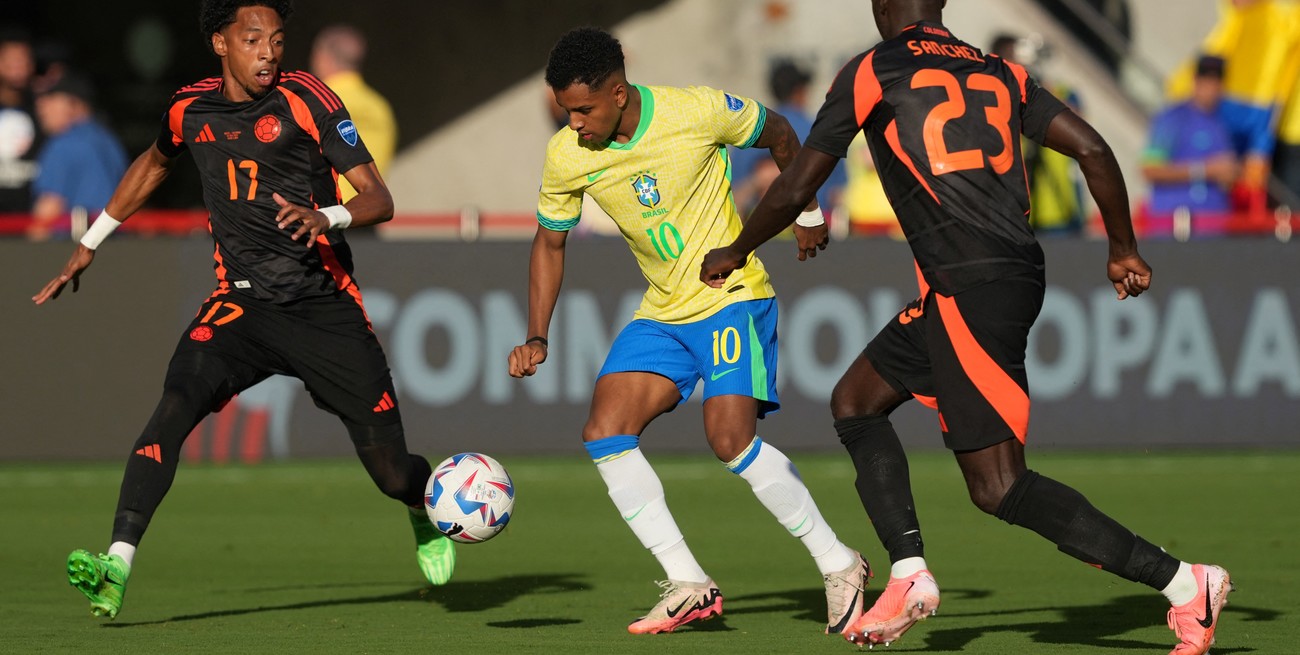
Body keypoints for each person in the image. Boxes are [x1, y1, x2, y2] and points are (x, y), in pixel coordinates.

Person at [701, 2, 1231, 653]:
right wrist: (1122, 247)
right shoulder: (1002, 71)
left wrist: (738, 248)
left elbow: (798, 182)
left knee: (999, 485)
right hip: (988, 278)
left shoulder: (874, 69)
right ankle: (908, 572)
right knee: (856, 401)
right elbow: (1093, 147)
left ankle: (1185, 583)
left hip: (969, 286)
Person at [32, 0, 454, 619]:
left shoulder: (307, 97)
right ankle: (115, 564)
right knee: (174, 406)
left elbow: (378, 198)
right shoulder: (189, 108)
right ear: (221, 43)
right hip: (241, 305)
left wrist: (326, 216)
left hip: (321, 305)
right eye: (254, 40)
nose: (269, 53)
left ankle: (421, 508)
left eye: (277, 40)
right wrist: (91, 241)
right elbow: (154, 163)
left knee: (391, 473)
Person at [508, 27, 868, 636]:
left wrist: (807, 211)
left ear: (618, 93)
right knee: (605, 430)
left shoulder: (695, 110)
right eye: (566, 111)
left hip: (731, 296)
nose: (574, 123)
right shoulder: (567, 155)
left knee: (730, 439)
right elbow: (550, 242)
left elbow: (782, 132)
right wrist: (537, 335)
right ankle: (688, 583)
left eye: (583, 109)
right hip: (664, 310)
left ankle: (840, 563)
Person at [732, 60, 848, 220]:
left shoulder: (747, 136)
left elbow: (734, 198)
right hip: (813, 228)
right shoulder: (821, 132)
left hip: (758, 229)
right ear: (800, 91)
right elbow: (838, 195)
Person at [1141, 54, 1239, 236]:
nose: (1211, 88)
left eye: (1216, 81)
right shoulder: (1172, 119)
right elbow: (1150, 169)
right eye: (1206, 80)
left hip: (1213, 228)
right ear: (1195, 81)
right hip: (1174, 227)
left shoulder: (1225, 123)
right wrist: (1204, 170)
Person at [26, 71, 128, 241]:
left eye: (51, 99)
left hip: (72, 246)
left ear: (75, 104)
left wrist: (24, 251)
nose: (41, 108)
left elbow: (49, 209)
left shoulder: (63, 143)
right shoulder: (109, 141)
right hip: (116, 244)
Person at [309, 23, 395, 203]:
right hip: (369, 210)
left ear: (322, 58)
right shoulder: (380, 107)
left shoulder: (315, 102)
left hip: (324, 213)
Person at [0, 28, 39, 213]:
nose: (20, 67)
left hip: (30, 218)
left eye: (24, 60)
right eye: (13, 60)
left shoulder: (43, 109)